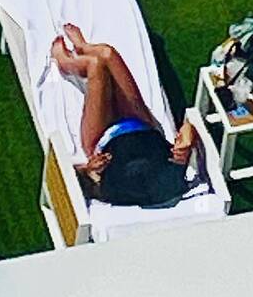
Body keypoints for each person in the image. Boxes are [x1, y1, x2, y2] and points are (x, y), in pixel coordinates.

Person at [50, 24, 198, 207]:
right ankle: (83, 48)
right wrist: (187, 141)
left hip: (101, 137)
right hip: (141, 124)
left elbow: (71, 180)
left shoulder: (113, 191)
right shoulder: (172, 177)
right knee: (108, 53)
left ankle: (68, 64)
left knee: (95, 66)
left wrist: (89, 169)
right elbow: (188, 126)